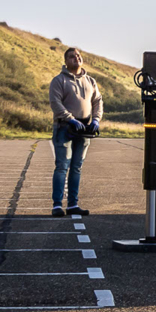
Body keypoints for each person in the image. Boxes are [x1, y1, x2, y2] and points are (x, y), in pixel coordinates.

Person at [48, 46, 103, 217]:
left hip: (85, 129)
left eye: (78, 56)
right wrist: (70, 118)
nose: (76, 58)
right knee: (62, 166)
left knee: (77, 167)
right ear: (66, 61)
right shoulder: (59, 81)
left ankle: (73, 204)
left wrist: (96, 119)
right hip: (65, 127)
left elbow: (98, 101)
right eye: (72, 56)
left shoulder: (90, 81)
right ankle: (57, 205)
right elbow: (55, 103)